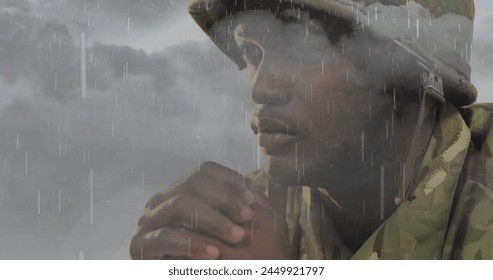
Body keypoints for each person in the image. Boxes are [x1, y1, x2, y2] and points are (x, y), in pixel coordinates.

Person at [130, 0, 493, 259]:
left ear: (408, 78)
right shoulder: (242, 216)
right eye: (252, 54)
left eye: (303, 51)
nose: (261, 89)